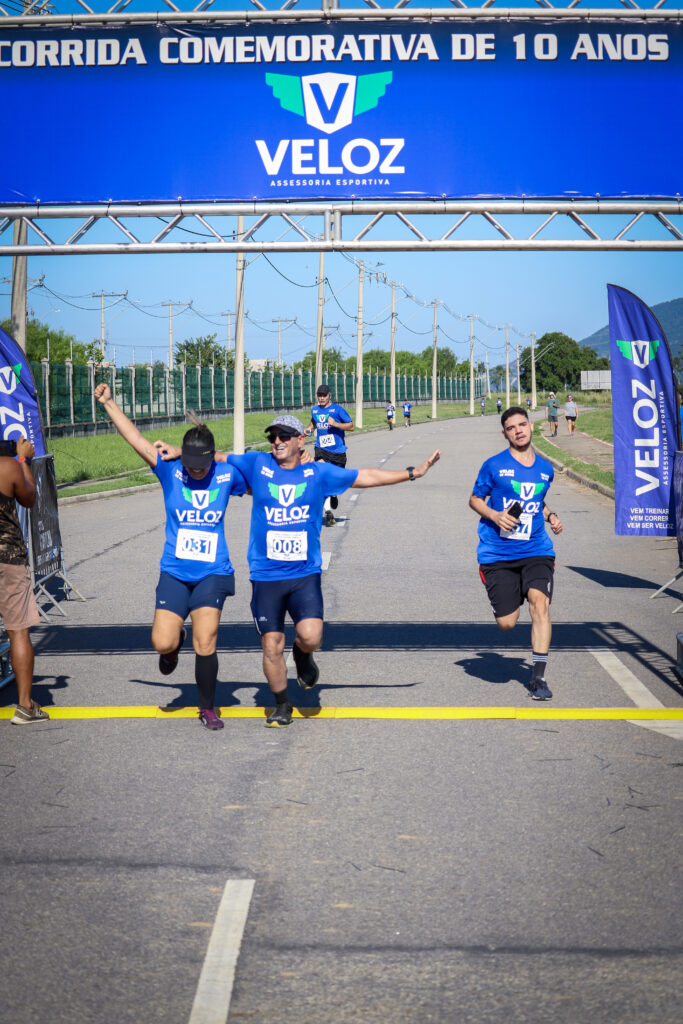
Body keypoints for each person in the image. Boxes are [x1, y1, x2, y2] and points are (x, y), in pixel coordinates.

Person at [219, 415, 440, 728]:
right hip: (266, 575)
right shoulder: (258, 463)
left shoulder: (318, 472)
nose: (277, 442)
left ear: (301, 440)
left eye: (284, 436)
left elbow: (366, 476)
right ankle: (281, 703)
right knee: (271, 645)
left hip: (304, 574)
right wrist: (178, 453)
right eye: (273, 437)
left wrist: (412, 472)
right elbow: (217, 457)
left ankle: (303, 654)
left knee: (311, 637)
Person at [94, 383, 247, 732]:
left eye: (201, 465)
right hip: (175, 572)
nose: (196, 471)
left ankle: (207, 708)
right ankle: (173, 647)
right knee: (162, 641)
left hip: (213, 572)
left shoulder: (227, 475)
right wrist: (109, 403)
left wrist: (300, 463)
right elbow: (136, 440)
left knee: (206, 641)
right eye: (191, 465)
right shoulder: (170, 470)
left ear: (211, 457)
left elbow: (264, 476)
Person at [469, 406, 563, 701]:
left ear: (531, 426)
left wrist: (550, 516)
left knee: (540, 605)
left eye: (522, 424)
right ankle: (513, 589)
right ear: (504, 433)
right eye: (511, 428)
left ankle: (538, 678)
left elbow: (536, 499)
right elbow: (475, 499)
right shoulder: (494, 465)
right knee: (507, 623)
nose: (518, 431)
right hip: (498, 553)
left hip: (536, 549)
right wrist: (495, 515)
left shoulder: (545, 469)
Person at [1, 437, 48, 725]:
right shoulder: (7, 466)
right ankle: (25, 705)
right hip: (8, 558)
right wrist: (23, 461)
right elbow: (29, 498)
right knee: (18, 632)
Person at [304, 384, 353, 527]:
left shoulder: (338, 410)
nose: (321, 398)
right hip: (321, 449)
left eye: (324, 395)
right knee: (322, 478)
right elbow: (313, 422)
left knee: (335, 481)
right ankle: (328, 510)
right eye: (319, 395)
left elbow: (351, 426)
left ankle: (333, 494)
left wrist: (336, 424)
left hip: (338, 451)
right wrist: (309, 429)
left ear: (329, 396)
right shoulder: (315, 410)